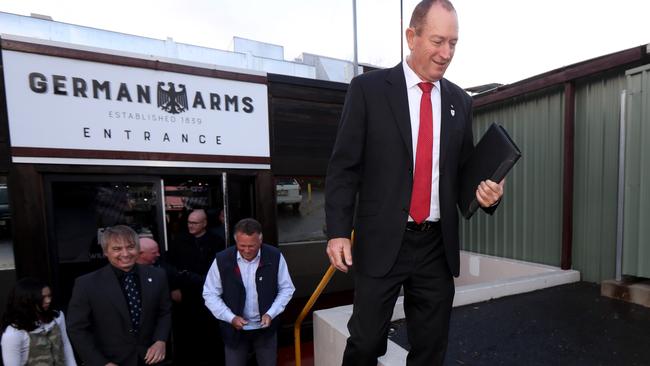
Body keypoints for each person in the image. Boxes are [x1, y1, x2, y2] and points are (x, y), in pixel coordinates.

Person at [324, 1, 505, 365]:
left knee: (431, 348)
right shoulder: (368, 90)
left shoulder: (459, 101)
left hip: (436, 246)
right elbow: (344, 167)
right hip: (382, 241)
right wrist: (339, 231)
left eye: (453, 43)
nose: (446, 53)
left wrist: (489, 194)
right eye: (438, 41)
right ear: (411, 36)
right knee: (365, 343)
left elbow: (464, 172)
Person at [66, 225, 172, 366]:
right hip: (110, 361)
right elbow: (77, 329)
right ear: (105, 251)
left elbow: (165, 312)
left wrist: (160, 341)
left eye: (130, 247)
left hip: (151, 359)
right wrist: (101, 363)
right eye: (117, 249)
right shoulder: (86, 284)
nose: (125, 253)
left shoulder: (158, 275)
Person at [203, 218, 295, 366]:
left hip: (266, 330)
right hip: (234, 331)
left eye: (251, 246)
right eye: (242, 246)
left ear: (260, 240)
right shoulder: (222, 259)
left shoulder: (275, 256)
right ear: (235, 241)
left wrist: (271, 313)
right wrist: (230, 317)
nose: (246, 250)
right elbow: (209, 293)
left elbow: (287, 288)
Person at [168, 208, 225, 365]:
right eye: (189, 222)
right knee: (186, 335)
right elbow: (170, 266)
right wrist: (174, 287)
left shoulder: (217, 242)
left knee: (209, 333)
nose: (190, 226)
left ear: (204, 223)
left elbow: (218, 270)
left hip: (208, 295)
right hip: (185, 296)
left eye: (194, 223)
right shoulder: (179, 240)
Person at [1, 278, 76, 366]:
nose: (48, 300)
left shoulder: (57, 317)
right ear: (27, 300)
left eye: (49, 296)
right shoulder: (13, 333)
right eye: (42, 297)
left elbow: (65, 346)